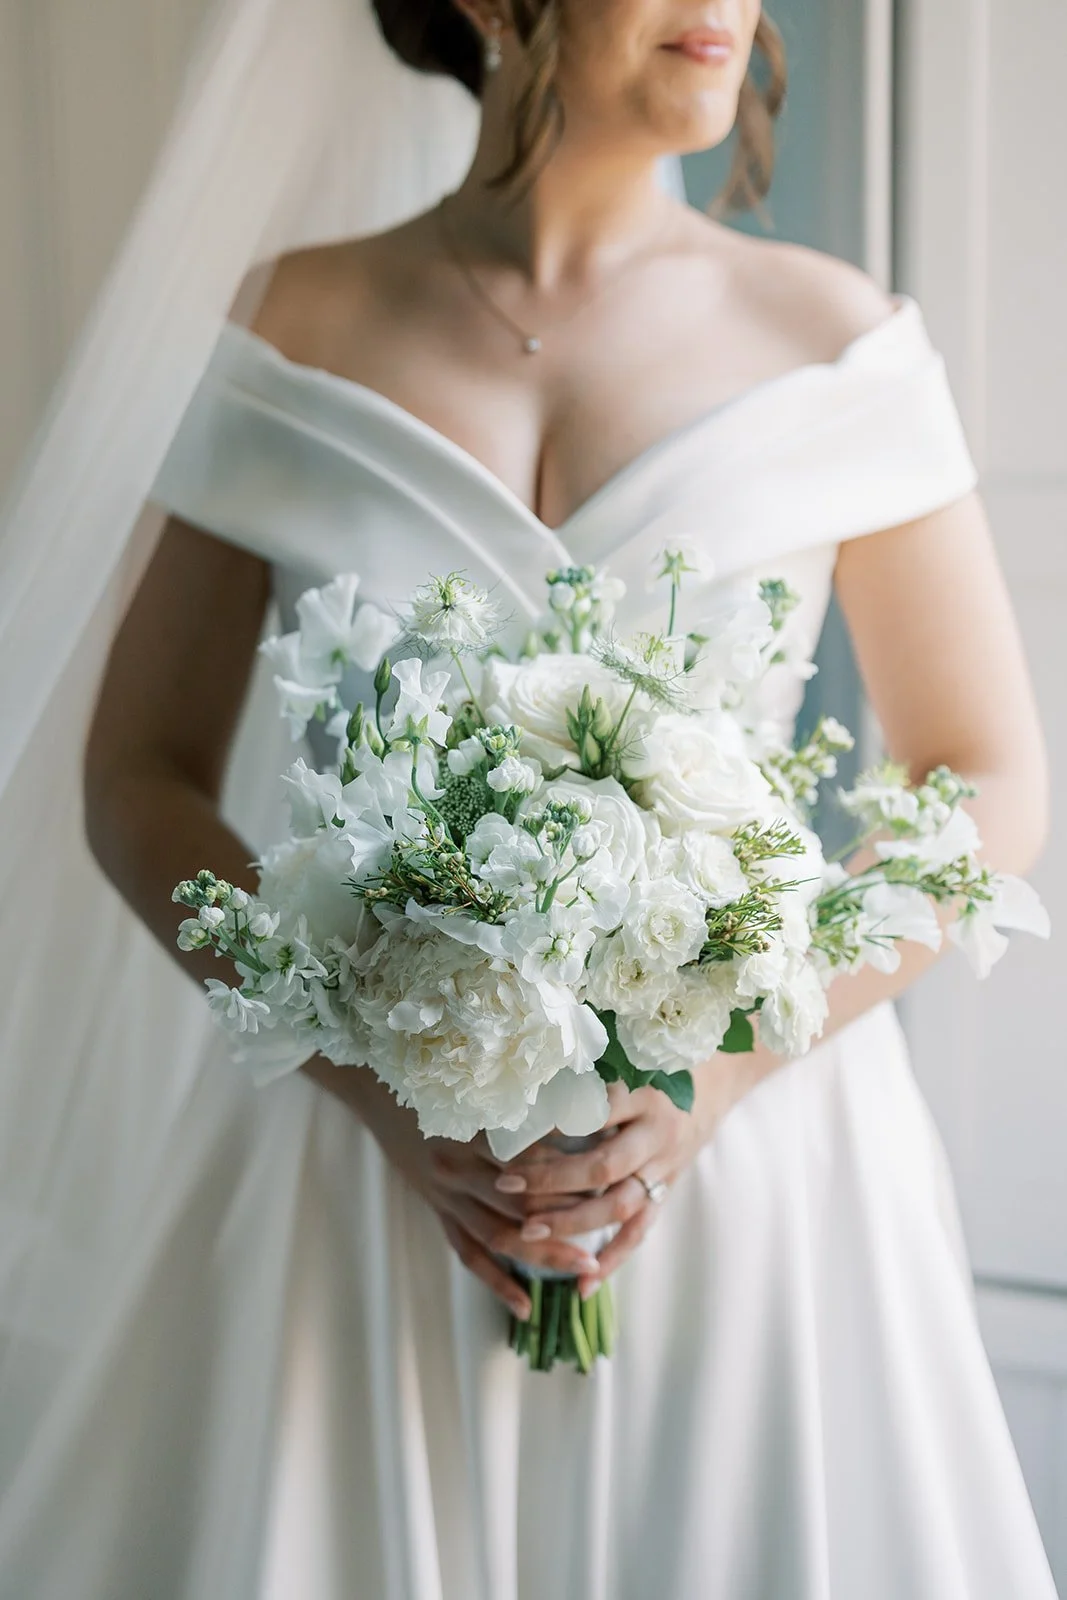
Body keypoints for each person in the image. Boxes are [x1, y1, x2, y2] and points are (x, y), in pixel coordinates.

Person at [0, 1, 1057, 1596]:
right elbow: (135, 779)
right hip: (354, 1190)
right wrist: (376, 1085)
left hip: (749, 1178)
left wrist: (715, 1078)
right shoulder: (294, 322)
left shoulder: (830, 340)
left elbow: (983, 779)